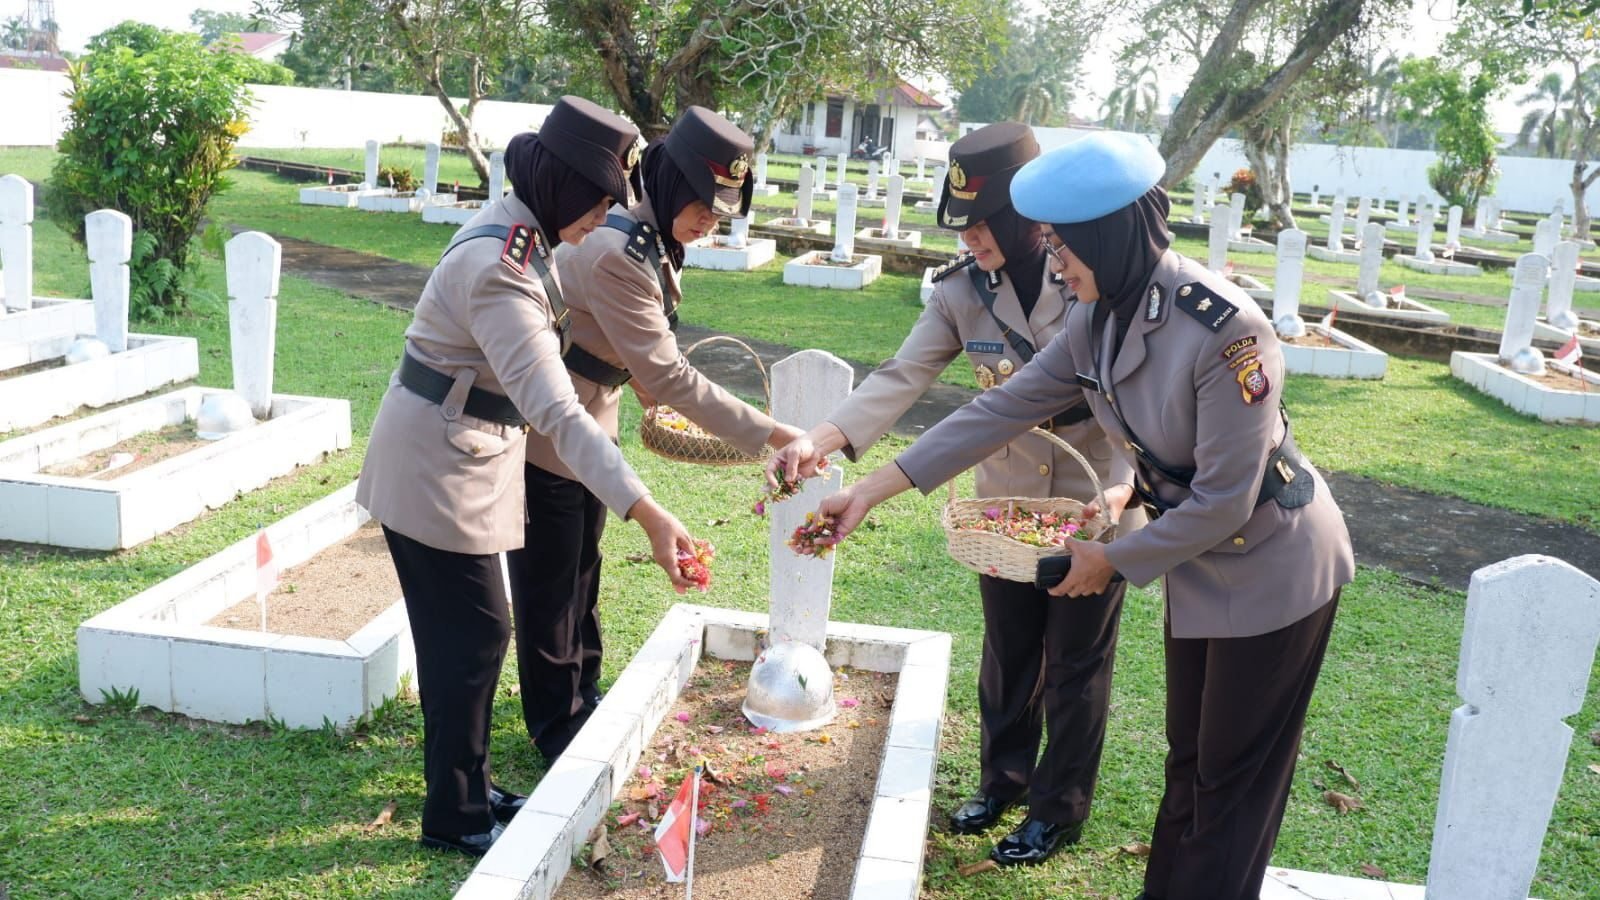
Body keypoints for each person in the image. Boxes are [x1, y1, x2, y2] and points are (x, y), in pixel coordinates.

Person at [807, 132, 1354, 900]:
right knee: (1191, 760)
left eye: (1064, 246)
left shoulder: (1227, 331)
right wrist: (871, 490)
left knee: (1232, 777)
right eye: (1051, 246)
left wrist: (1111, 559)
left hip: (1274, 563)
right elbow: (1000, 408)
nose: (1055, 263)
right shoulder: (1100, 317)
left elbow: (1228, 496)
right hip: (1201, 563)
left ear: (1109, 235)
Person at [766, 122, 1146, 867]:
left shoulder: (1091, 274)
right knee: (1008, 647)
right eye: (963, 226)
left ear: (1025, 216)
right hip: (1003, 496)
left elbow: (1137, 395)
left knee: (1075, 660)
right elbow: (903, 376)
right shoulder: (960, 292)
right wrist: (827, 438)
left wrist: (1126, 487)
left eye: (982, 224)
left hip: (1095, 493)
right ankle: (1003, 780)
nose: (971, 240)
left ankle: (1058, 809)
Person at [356, 95, 700, 858]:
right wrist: (650, 514)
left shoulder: (531, 237)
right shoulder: (502, 268)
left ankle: (466, 790)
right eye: (601, 198)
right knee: (474, 635)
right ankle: (455, 815)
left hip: (466, 454)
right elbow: (559, 412)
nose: (606, 215)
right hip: (434, 464)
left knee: (471, 636)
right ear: (565, 186)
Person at [508, 106, 803, 760]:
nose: (708, 220)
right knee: (553, 580)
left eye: (721, 211)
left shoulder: (653, 240)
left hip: (593, 415)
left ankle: (580, 693)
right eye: (702, 203)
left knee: (583, 567)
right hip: (552, 428)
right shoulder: (621, 251)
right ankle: (556, 723)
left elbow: (631, 349)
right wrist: (774, 435)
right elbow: (670, 375)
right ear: (670, 183)